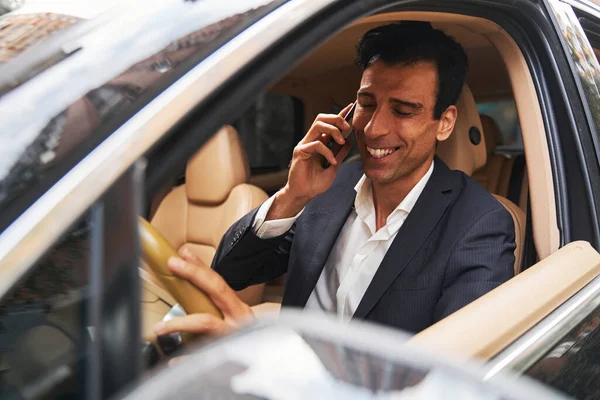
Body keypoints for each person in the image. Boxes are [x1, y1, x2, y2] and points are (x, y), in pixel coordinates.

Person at [153, 22, 516, 338]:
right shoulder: (330, 185)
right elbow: (230, 273)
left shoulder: (479, 224)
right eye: (367, 103)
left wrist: (262, 353)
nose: (374, 129)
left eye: (403, 111)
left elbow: (452, 374)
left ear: (446, 123)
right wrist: (292, 197)